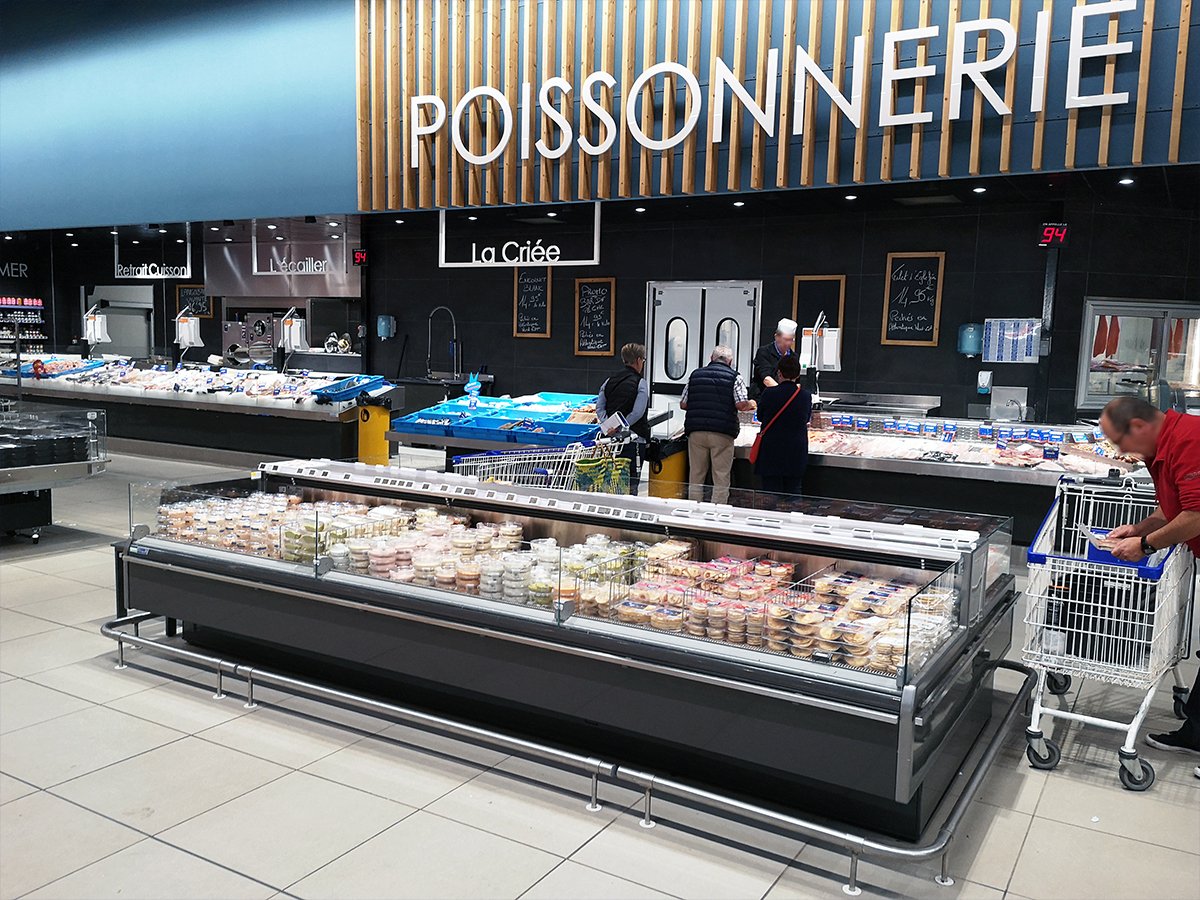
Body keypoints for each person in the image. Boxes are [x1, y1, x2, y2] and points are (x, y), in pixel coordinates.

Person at [1099, 395, 1200, 766]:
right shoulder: (1165, 446)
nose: (1119, 451)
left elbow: (1196, 514)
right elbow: (1173, 506)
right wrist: (1139, 528)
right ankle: (1196, 734)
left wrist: (1145, 545)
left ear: (1139, 427)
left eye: (1120, 442)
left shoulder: (1191, 440)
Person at [680, 345, 755, 504]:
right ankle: (717, 511)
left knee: (696, 475)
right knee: (721, 476)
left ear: (711, 358)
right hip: (722, 433)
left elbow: (683, 404)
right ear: (730, 361)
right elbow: (741, 405)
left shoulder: (695, 375)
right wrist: (752, 403)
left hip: (696, 432)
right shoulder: (735, 377)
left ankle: (693, 508)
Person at [754, 354, 812, 496]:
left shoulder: (769, 393)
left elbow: (760, 416)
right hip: (795, 452)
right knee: (793, 493)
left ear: (779, 373)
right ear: (797, 375)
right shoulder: (805, 396)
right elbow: (806, 419)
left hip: (771, 451)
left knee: (770, 496)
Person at [596, 342, 649, 495]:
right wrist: (620, 426)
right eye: (643, 360)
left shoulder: (609, 381)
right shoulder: (640, 383)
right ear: (638, 360)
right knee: (631, 482)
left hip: (610, 441)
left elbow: (599, 408)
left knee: (611, 481)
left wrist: (609, 426)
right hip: (633, 440)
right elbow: (637, 413)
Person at [751, 318, 798, 399]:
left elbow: (797, 381)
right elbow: (767, 379)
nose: (788, 343)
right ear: (777, 337)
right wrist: (783, 394)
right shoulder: (764, 352)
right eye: (786, 339)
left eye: (791, 340)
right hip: (763, 397)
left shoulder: (793, 357)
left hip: (786, 398)